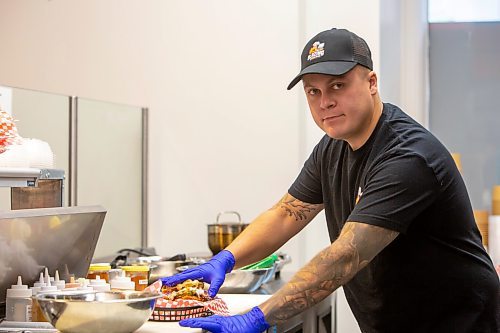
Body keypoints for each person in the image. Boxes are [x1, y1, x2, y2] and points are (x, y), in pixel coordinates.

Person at [162, 28, 500, 332]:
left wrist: (258, 315)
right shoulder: (333, 147)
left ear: (371, 83)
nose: (325, 102)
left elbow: (346, 254)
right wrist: (225, 259)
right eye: (313, 91)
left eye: (337, 85)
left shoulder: (408, 156)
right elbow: (286, 213)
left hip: (459, 323)